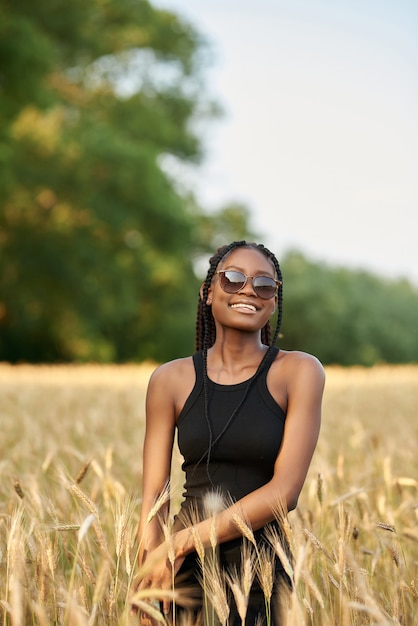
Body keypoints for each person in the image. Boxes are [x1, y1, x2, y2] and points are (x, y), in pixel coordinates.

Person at [131, 240, 325, 625]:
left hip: (259, 571)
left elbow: (284, 492)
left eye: (264, 285)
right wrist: (147, 573)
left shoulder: (298, 372)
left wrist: (182, 542)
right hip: (181, 571)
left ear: (273, 301)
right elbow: (155, 495)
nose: (249, 290)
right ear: (208, 292)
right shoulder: (170, 379)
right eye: (233, 278)